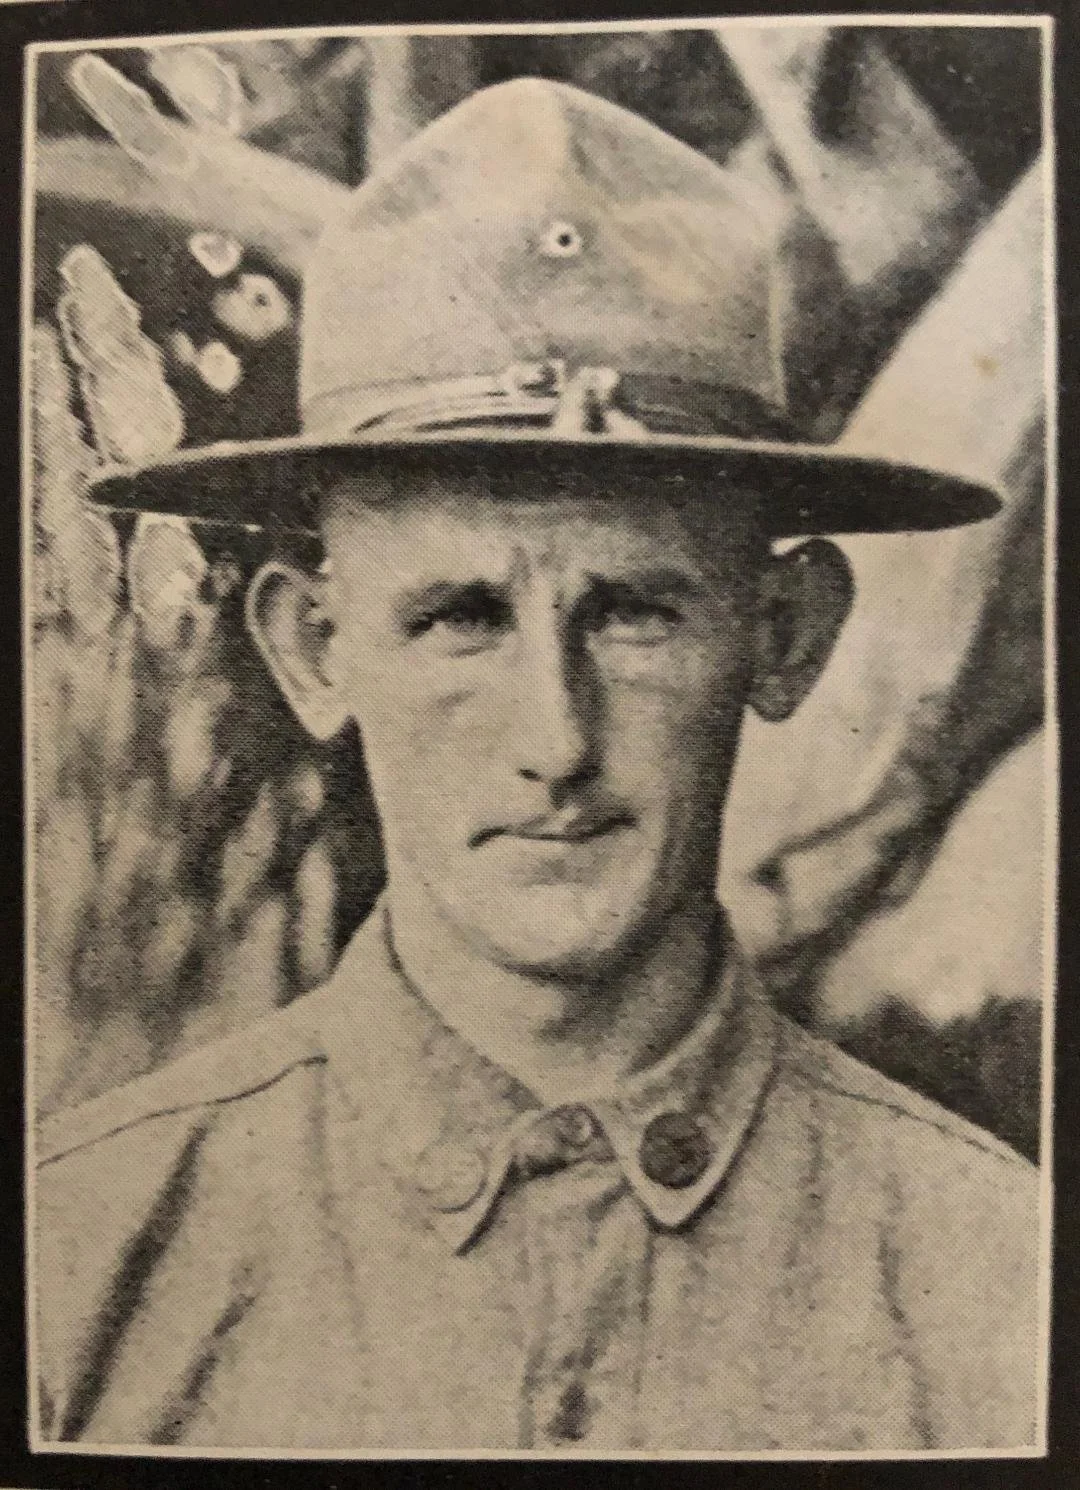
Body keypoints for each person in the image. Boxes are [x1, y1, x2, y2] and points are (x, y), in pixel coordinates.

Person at [34, 77, 1040, 1454]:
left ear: (785, 634)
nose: (553, 743)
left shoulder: (1000, 1284)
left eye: (634, 612)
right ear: (314, 646)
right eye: (459, 618)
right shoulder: (76, 1267)